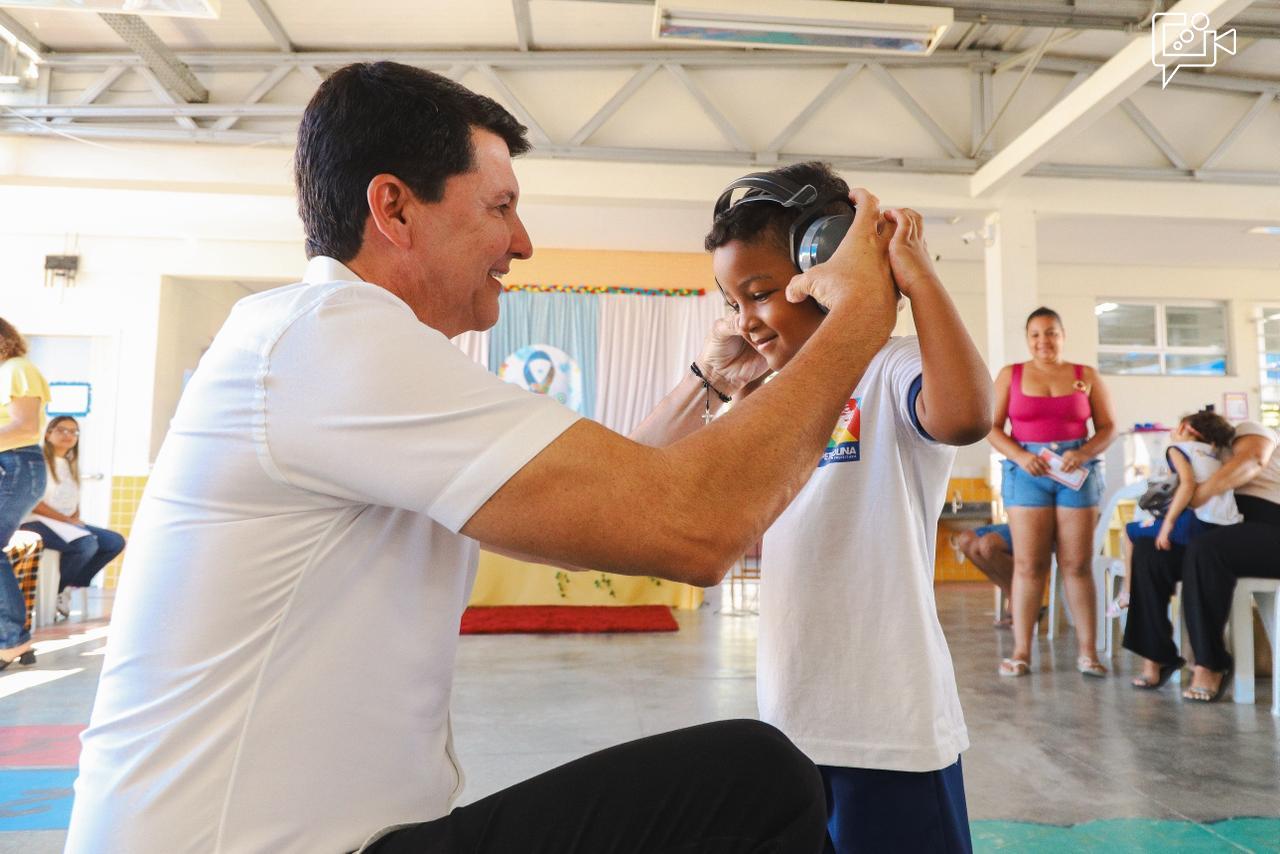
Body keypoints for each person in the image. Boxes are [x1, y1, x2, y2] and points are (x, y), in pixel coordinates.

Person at [66, 63, 906, 854]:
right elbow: (693, 529)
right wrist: (858, 318)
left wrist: (709, 382)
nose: (524, 242)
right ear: (395, 209)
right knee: (755, 783)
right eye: (501, 207)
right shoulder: (330, 339)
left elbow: (614, 497)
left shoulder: (334, 351)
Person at [635, 161, 992, 853]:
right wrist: (711, 376)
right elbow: (645, 475)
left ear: (824, 265)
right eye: (732, 302)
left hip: (892, 730)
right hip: (792, 725)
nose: (747, 319)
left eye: (762, 292)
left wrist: (911, 278)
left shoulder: (890, 369)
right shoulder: (762, 400)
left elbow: (968, 415)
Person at [987, 308, 1116, 678]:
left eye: (1051, 333)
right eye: (1036, 334)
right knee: (1030, 565)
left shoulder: (1085, 376)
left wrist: (1084, 452)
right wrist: (1021, 456)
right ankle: (1022, 651)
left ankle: (1088, 654)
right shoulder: (1009, 375)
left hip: (1077, 472)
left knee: (1077, 565)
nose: (1044, 341)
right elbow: (991, 427)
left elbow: (1108, 427)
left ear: (1063, 335)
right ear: (1027, 339)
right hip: (1027, 473)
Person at [1124, 420, 1280, 701]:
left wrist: (1194, 497)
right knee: (1149, 550)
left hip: (1269, 522)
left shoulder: (1248, 430)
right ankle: (1156, 653)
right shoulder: (1197, 456)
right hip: (1218, 524)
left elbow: (1254, 459)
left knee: (1206, 549)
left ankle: (1210, 663)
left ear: (1186, 426)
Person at [1113, 412, 1239, 654]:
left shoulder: (1177, 450)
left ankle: (1128, 591)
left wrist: (1169, 523)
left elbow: (1188, 485)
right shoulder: (1216, 455)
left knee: (1130, 532)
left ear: (1185, 427)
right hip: (1221, 527)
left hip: (1193, 523)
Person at [19, 416, 126, 619]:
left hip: (63, 523)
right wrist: (67, 521)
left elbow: (71, 499)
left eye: (73, 431)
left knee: (114, 542)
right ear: (48, 433)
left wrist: (74, 516)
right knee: (86, 544)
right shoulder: (38, 461)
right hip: (35, 522)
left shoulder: (70, 464)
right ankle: (57, 589)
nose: (68, 435)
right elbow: (34, 502)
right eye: (61, 430)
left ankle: (68, 585)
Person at [0, 317, 50, 669]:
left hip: (18, 465)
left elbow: (27, 427)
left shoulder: (17, 369)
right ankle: (12, 639)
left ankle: (11, 641)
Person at [956, 523, 1014, 625]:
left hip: (1030, 518)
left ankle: (1019, 599)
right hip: (1011, 522)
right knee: (965, 540)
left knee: (988, 545)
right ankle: (1013, 594)